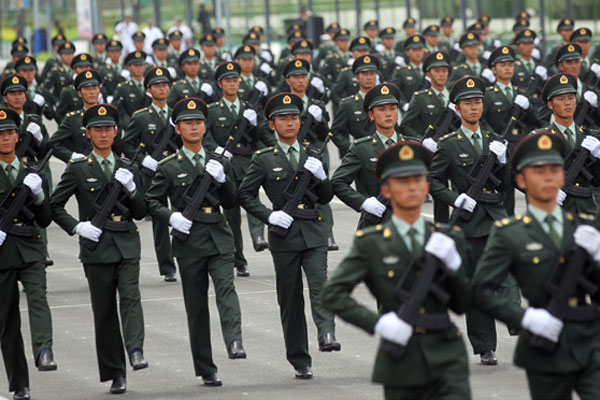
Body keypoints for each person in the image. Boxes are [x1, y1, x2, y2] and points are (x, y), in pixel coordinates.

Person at [323, 141, 471, 400]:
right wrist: (377, 323)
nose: (411, 187)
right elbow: (333, 294)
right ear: (386, 190)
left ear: (427, 186)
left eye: (418, 179)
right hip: (400, 359)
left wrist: (455, 267)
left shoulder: (448, 239)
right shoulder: (372, 242)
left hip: (447, 355)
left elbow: (463, 303)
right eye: (401, 181)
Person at [473, 131, 600, 399]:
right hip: (544, 350)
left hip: (588, 344)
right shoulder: (510, 233)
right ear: (521, 180)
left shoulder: (585, 229)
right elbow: (481, 290)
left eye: (554, 169)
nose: (548, 177)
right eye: (538, 171)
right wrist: (526, 318)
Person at [238, 93, 340, 379]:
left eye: (295, 118)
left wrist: (322, 176)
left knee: (321, 286)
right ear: (272, 124)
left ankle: (327, 333)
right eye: (283, 119)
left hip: (314, 231)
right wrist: (268, 215)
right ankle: (299, 358)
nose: (290, 123)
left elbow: (325, 196)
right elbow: (245, 194)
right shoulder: (263, 159)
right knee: (290, 299)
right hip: (284, 235)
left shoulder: (312, 154)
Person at [145, 97, 246, 387]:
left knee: (226, 289)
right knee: (197, 306)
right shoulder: (167, 166)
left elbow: (231, 201)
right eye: (188, 123)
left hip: (219, 235)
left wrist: (224, 178)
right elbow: (151, 201)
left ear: (205, 126)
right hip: (189, 241)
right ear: (177, 129)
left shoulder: (219, 160)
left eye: (198, 122)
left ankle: (234, 340)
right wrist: (171, 217)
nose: (194, 127)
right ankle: (206, 367)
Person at [50, 104, 148, 395]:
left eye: (108, 129)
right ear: (87, 133)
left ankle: (136, 350)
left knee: (131, 297)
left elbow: (141, 210)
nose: (104, 134)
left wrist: (131, 189)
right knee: (104, 311)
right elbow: (55, 205)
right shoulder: (79, 168)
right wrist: (77, 227)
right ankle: (115, 373)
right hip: (97, 246)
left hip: (127, 242)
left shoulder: (128, 166)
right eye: (98, 130)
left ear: (116, 132)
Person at [429, 76, 516, 365]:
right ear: (457, 108)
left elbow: (505, 186)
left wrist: (504, 163)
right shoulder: (448, 144)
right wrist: (455, 198)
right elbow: (432, 181)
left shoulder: (494, 141)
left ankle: (516, 319)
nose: (474, 107)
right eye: (468, 103)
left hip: (497, 218)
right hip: (470, 222)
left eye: (478, 102)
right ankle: (484, 345)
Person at [0, 107, 56, 400]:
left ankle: (44, 350)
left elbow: (45, 218)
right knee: (7, 320)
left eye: (10, 133)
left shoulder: (31, 173)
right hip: (2, 256)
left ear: (17, 136)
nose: (6, 138)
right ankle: (19, 383)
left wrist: (39, 195)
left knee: (38, 298)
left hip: (31, 247)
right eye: (1, 134)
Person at [204, 61, 267, 276]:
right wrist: (218, 151)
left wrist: (256, 124)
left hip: (248, 164)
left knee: (253, 203)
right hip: (227, 168)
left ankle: (258, 236)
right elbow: (205, 136)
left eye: (235, 80)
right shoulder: (213, 110)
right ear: (220, 84)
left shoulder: (250, 109)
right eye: (228, 80)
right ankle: (238, 259)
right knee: (232, 217)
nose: (233, 83)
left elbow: (261, 138)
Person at [122, 66, 178, 282]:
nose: (161, 88)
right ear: (149, 90)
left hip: (177, 171)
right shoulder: (141, 117)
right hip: (154, 174)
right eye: (157, 85)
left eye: (164, 85)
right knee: (161, 221)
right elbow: (128, 144)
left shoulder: (177, 114)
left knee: (184, 214)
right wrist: (143, 159)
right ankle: (167, 267)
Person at [331, 83, 406, 229]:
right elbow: (338, 182)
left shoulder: (410, 145)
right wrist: (363, 203)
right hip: (376, 224)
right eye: (382, 109)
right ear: (371, 115)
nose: (388, 113)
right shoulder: (362, 148)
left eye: (392, 108)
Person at [532, 72, 600, 215]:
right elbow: (526, 176)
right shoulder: (540, 137)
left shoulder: (589, 137)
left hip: (587, 211)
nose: (567, 103)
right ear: (550, 105)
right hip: (555, 211)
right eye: (561, 99)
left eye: (571, 98)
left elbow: (597, 180)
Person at [330, 54, 381, 157]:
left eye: (372, 74)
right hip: (360, 155)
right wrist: (351, 148)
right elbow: (335, 132)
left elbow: (395, 129)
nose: (369, 77)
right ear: (357, 77)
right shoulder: (348, 104)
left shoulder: (383, 100)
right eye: (364, 74)